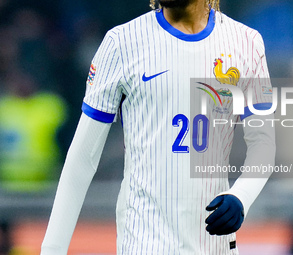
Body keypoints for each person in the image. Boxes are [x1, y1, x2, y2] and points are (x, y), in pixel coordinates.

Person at [41, 0, 275, 254]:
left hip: (213, 244)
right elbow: (82, 160)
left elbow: (263, 143)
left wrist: (241, 196)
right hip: (144, 242)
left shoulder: (246, 42)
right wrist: (52, 249)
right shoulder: (121, 42)